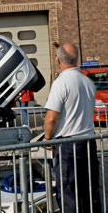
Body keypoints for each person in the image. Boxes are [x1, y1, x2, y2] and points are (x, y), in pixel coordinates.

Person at [43, 43, 101, 213]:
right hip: (88, 142)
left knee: (69, 191)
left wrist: (47, 137)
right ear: (76, 60)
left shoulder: (61, 83)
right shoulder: (87, 82)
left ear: (58, 60)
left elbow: (51, 119)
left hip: (68, 146)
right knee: (89, 189)